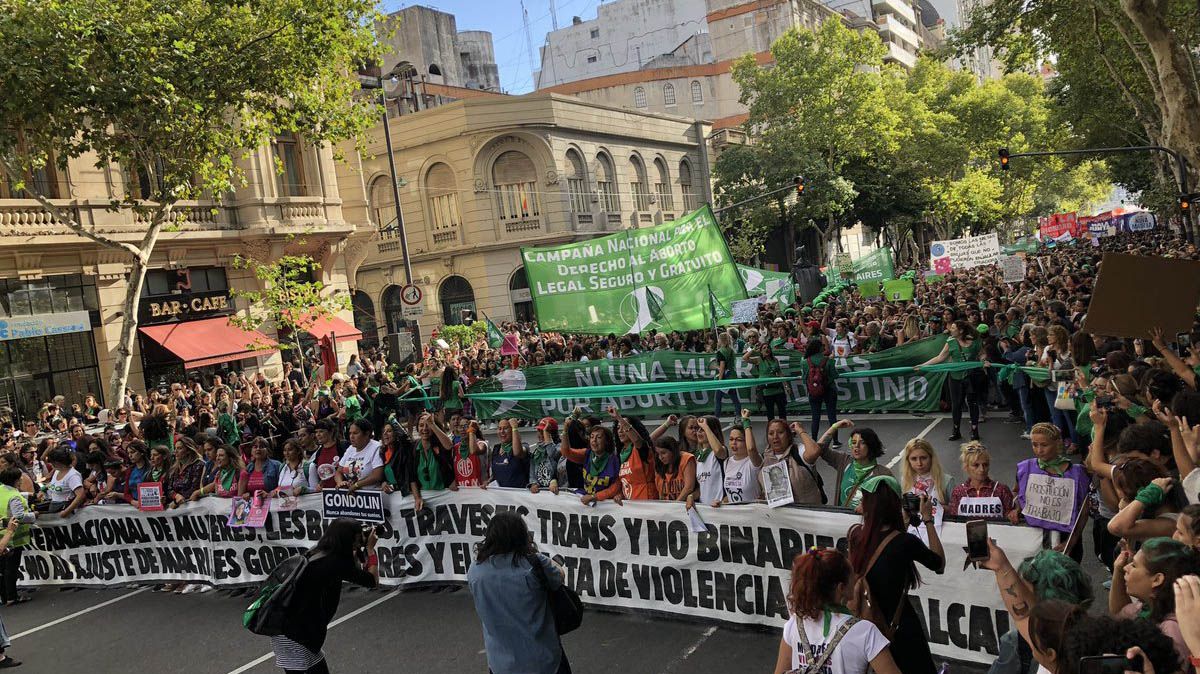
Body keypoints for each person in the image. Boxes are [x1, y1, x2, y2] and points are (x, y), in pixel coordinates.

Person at [846, 475, 944, 674]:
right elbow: (939, 563)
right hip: (900, 628)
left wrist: (903, 525)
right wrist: (928, 520)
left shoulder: (856, 535)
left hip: (866, 625)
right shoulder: (905, 542)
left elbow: (883, 549)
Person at [269, 518, 379, 674]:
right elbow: (372, 580)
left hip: (284, 628)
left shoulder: (318, 553)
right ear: (348, 539)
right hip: (297, 635)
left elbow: (349, 570)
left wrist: (356, 552)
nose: (360, 539)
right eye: (358, 536)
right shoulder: (334, 562)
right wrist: (370, 550)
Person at [468, 510, 570, 674]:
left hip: (500, 662)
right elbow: (559, 577)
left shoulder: (476, 570)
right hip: (542, 659)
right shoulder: (533, 564)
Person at [774, 547, 901, 674]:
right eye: (852, 577)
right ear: (841, 588)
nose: (856, 580)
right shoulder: (865, 631)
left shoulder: (795, 623)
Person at [987, 550, 1094, 674]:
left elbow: (1023, 616)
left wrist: (1001, 567)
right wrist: (1001, 566)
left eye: (1024, 591)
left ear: (1049, 654)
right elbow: (1022, 617)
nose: (1020, 595)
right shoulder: (1097, 640)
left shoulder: (1021, 641)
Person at [1109, 537, 1200, 666]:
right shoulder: (1146, 606)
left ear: (1157, 580)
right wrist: (1117, 570)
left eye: (1134, 565)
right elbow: (1120, 614)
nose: (1126, 568)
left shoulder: (1172, 631)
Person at [1015, 423, 1090, 560]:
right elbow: (1019, 494)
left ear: (1057, 443)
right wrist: (1016, 509)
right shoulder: (1025, 468)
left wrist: (1071, 541)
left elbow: (1083, 512)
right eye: (1034, 444)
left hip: (1065, 540)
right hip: (1034, 538)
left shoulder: (1077, 473)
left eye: (1044, 445)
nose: (1039, 450)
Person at [915, 319, 988, 441]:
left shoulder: (975, 341)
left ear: (961, 331)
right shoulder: (950, 342)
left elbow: (982, 354)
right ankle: (956, 430)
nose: (950, 330)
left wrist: (982, 361)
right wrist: (923, 365)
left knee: (972, 403)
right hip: (955, 377)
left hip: (971, 376)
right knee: (956, 405)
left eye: (953, 328)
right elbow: (940, 358)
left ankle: (974, 430)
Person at [819, 421, 891, 509]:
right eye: (853, 442)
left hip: (867, 522)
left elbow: (891, 505)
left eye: (862, 442)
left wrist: (869, 507)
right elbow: (820, 449)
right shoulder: (844, 461)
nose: (856, 446)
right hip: (843, 520)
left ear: (871, 445)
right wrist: (834, 427)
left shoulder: (883, 474)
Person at [760, 419, 826, 505]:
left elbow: (814, 451)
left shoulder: (798, 451)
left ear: (788, 435)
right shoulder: (764, 458)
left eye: (780, 432)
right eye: (771, 433)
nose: (775, 436)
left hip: (807, 514)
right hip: (779, 515)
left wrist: (800, 430)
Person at [949, 442, 1017, 522]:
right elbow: (953, 521)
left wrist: (1014, 513)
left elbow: (1012, 518)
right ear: (966, 467)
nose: (982, 469)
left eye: (985, 465)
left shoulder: (1001, 490)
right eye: (976, 465)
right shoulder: (958, 492)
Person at [558, 423, 620, 506]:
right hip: (587, 499)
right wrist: (565, 430)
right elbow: (566, 453)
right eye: (592, 437)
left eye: (598, 437)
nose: (594, 440)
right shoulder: (586, 454)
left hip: (604, 504)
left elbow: (615, 487)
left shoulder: (614, 460)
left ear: (607, 441)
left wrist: (594, 496)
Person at [899, 438, 954, 528]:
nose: (919, 463)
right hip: (913, 530)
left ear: (931, 457)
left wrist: (938, 508)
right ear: (908, 460)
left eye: (923, 458)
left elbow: (956, 511)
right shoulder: (905, 481)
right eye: (914, 459)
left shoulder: (947, 480)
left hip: (940, 529)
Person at [713, 409, 763, 505]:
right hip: (735, 518)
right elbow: (730, 495)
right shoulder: (726, 462)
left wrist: (746, 421)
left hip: (754, 516)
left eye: (739, 440)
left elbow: (751, 449)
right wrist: (721, 502)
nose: (733, 443)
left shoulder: (754, 461)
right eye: (731, 439)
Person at [409, 413, 457, 512]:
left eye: (428, 425)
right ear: (417, 428)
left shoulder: (440, 444)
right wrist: (417, 498)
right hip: (425, 499)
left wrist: (432, 424)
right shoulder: (413, 448)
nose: (425, 428)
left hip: (445, 496)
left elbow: (449, 446)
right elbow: (411, 477)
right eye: (421, 425)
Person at [0, 468, 33, 607]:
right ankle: (12, 597)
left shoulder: (1, 489)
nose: (21, 480)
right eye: (20, 478)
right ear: (15, 480)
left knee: (2, 570)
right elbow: (19, 517)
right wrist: (34, 515)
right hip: (13, 537)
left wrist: (29, 495)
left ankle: (5, 596)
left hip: (1, 534)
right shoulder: (14, 496)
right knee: (11, 569)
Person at [611, 409, 657, 501]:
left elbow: (636, 440)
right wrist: (620, 494)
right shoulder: (620, 454)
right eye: (618, 428)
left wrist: (619, 418)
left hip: (647, 502)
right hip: (631, 506)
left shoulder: (641, 448)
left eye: (623, 427)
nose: (620, 431)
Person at [801, 338, 840, 447]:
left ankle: (814, 440)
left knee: (815, 417)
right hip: (829, 390)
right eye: (822, 345)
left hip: (813, 391)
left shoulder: (805, 362)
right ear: (819, 348)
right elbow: (835, 375)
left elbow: (804, 378)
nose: (824, 346)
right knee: (832, 416)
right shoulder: (828, 360)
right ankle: (835, 441)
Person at [334, 419, 381, 493]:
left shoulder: (376, 447)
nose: (351, 436)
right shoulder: (350, 449)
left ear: (367, 434)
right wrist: (340, 483)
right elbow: (338, 472)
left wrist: (356, 485)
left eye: (355, 433)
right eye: (350, 433)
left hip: (371, 496)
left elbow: (377, 475)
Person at [744, 343, 787, 420]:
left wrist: (786, 386)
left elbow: (780, 373)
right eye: (764, 348)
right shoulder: (758, 360)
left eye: (768, 347)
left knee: (782, 411)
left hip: (778, 389)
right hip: (767, 390)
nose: (766, 349)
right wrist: (753, 350)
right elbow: (745, 358)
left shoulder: (775, 360)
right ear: (761, 351)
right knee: (770, 413)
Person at [42, 448, 85, 517]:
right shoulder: (57, 471)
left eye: (52, 462)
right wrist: (43, 489)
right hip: (54, 506)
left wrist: (66, 512)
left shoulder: (73, 476)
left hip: (66, 512)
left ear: (57, 462)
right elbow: (54, 484)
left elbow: (80, 495)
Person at [652, 436, 696, 502]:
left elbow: (689, 487)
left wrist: (675, 505)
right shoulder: (659, 464)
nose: (660, 457)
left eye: (663, 453)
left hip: (685, 506)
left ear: (673, 450)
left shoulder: (686, 458)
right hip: (669, 508)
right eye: (658, 454)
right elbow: (661, 494)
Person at [489, 419, 529, 489]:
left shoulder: (524, 446)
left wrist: (515, 428)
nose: (502, 431)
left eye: (505, 428)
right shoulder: (496, 449)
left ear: (512, 431)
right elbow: (495, 474)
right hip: (501, 496)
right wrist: (488, 482)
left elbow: (517, 453)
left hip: (519, 496)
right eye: (499, 428)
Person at [527, 418, 561, 495]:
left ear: (552, 433)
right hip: (542, 492)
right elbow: (532, 470)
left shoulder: (559, 447)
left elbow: (552, 454)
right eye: (539, 431)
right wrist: (533, 483)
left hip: (555, 490)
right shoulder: (537, 451)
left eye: (543, 432)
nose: (540, 434)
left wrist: (554, 480)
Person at [712, 332, 742, 418]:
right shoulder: (731, 350)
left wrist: (720, 380)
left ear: (721, 340)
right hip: (732, 376)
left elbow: (722, 366)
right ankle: (738, 416)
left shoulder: (720, 352)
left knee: (717, 400)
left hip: (724, 378)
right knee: (735, 399)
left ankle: (716, 418)